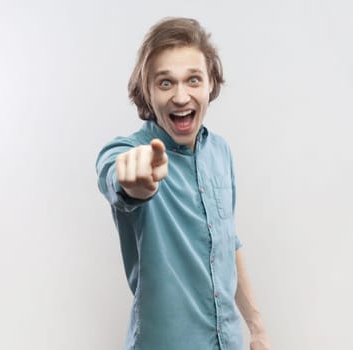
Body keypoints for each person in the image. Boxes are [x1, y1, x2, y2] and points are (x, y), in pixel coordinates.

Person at [96, 17, 270, 350]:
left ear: (210, 84)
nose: (180, 96)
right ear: (147, 90)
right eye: (165, 83)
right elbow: (117, 176)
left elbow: (227, 242)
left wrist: (257, 327)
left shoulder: (220, 152)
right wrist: (134, 184)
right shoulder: (131, 152)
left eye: (193, 80)